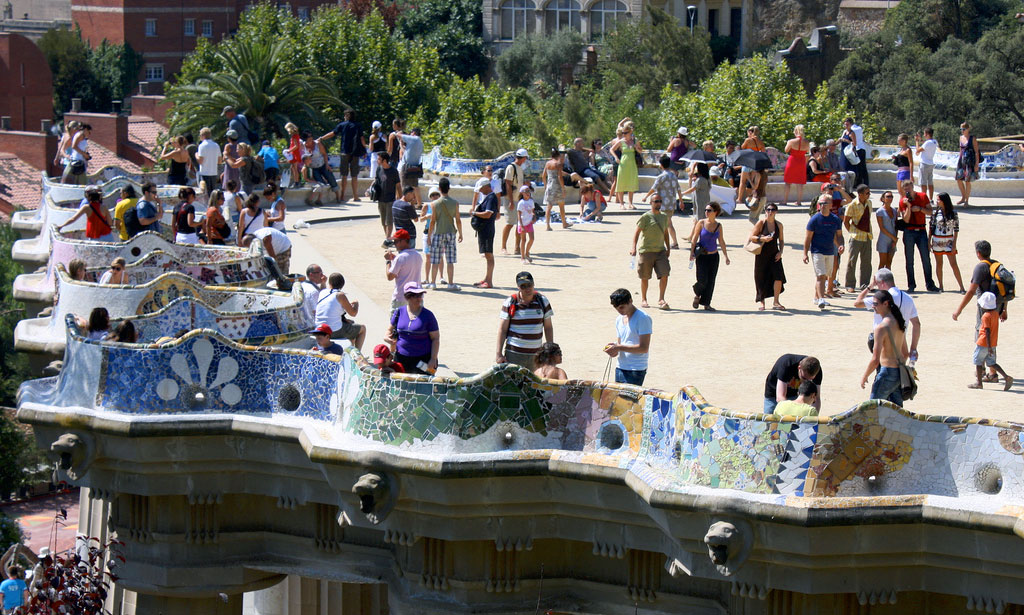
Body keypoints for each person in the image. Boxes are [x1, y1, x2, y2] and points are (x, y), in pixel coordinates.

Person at [854, 268, 922, 364]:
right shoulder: (908, 298)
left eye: (877, 284)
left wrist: (870, 286)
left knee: (882, 372)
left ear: (882, 282)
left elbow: (857, 303)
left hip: (882, 341)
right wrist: (913, 348)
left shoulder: (880, 298)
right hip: (900, 341)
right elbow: (917, 324)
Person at [496, 271, 553, 368]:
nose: (527, 289)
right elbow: (502, 330)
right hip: (514, 354)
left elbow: (548, 328)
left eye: (529, 285)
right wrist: (498, 354)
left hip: (536, 355)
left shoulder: (543, 301)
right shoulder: (510, 302)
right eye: (523, 286)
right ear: (518, 287)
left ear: (533, 284)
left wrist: (550, 351)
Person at [860, 290, 908, 406]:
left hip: (887, 372)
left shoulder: (881, 328)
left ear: (886, 304)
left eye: (875, 304)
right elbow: (905, 353)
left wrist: (865, 376)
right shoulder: (899, 322)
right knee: (897, 413)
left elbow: (875, 360)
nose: (873, 306)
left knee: (872, 408)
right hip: (899, 373)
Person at [385, 281, 439, 374]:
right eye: (415, 296)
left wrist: (433, 359)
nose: (419, 299)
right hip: (401, 359)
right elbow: (389, 330)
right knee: (402, 386)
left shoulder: (428, 315)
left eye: (420, 295)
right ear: (407, 297)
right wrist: (386, 337)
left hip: (422, 360)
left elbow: (435, 338)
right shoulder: (398, 312)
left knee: (425, 381)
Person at [631, 193, 672, 310]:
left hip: (660, 251)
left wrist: (668, 247)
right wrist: (633, 247)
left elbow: (665, 233)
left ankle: (661, 298)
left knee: (664, 274)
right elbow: (637, 233)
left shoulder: (664, 217)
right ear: (651, 203)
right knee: (645, 276)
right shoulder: (645, 217)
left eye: (660, 201)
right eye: (656, 201)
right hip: (647, 251)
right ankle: (644, 299)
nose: (658, 203)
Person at [802, 195, 844, 309]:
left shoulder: (835, 219)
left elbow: (839, 235)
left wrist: (841, 245)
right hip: (817, 251)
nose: (822, 206)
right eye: (820, 203)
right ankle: (821, 299)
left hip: (830, 251)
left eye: (824, 203)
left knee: (825, 276)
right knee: (820, 276)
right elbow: (808, 238)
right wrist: (805, 253)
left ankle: (816, 297)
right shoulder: (814, 219)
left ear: (831, 205)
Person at [604, 288, 652, 386]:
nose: (620, 311)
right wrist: (614, 349)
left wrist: (618, 347)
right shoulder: (619, 320)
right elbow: (621, 344)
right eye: (616, 308)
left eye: (622, 307)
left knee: (628, 401)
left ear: (630, 301)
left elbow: (643, 348)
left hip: (636, 369)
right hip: (620, 366)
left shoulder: (643, 318)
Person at [898, 179, 938, 292]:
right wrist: (909, 207)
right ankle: (911, 285)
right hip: (909, 231)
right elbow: (905, 219)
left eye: (908, 189)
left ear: (912, 187)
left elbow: (930, 212)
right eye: (905, 190)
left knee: (926, 258)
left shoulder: (922, 196)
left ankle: (929, 284)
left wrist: (920, 209)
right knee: (909, 260)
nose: (907, 191)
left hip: (921, 230)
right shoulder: (902, 202)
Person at [319, 109, 367, 202]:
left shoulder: (342, 125)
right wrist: (364, 150)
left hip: (345, 152)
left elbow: (333, 133)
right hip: (355, 152)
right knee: (354, 175)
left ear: (347, 116)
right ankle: (355, 196)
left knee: (344, 175)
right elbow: (362, 139)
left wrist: (321, 138)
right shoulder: (358, 126)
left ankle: (342, 196)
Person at [968, 292, 1013, 390]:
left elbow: (987, 331)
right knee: (991, 363)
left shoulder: (985, 316)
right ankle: (1006, 377)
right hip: (992, 343)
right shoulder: (995, 314)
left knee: (978, 362)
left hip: (983, 343)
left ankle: (979, 383)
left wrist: (988, 347)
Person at [689, 201, 730, 311]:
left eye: (709, 210)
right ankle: (697, 295)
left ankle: (706, 303)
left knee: (711, 281)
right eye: (706, 210)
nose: (706, 212)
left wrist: (726, 256)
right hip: (702, 256)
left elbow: (721, 241)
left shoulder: (718, 226)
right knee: (702, 280)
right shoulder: (701, 223)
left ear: (715, 212)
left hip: (714, 256)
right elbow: (694, 239)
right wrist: (691, 253)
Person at [425, 178, 462, 291]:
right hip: (450, 232)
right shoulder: (455, 203)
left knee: (435, 259)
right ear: (449, 188)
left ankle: (433, 283)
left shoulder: (434, 204)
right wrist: (460, 233)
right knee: (450, 260)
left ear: (439, 189)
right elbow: (458, 220)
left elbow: (432, 221)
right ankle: (451, 283)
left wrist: (429, 235)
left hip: (438, 232)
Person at [749, 203, 786, 310]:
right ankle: (762, 302)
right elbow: (752, 237)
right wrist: (762, 239)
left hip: (774, 254)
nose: (770, 212)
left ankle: (776, 301)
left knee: (778, 277)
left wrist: (781, 252)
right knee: (761, 278)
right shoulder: (761, 223)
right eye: (768, 210)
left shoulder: (779, 225)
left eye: (773, 210)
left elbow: (782, 240)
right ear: (765, 211)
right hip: (761, 254)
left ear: (776, 212)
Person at [314, 273, 366, 350]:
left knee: (350, 325)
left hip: (318, 328)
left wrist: (323, 283)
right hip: (333, 331)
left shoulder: (322, 292)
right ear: (342, 285)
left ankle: (350, 350)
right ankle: (357, 356)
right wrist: (356, 304)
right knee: (362, 329)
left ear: (330, 283)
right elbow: (353, 313)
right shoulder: (340, 295)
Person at [930, 192, 966, 293]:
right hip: (937, 240)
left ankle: (961, 287)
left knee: (954, 264)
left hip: (949, 241)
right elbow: (931, 228)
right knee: (939, 264)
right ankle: (941, 286)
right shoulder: (936, 213)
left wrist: (954, 244)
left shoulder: (953, 213)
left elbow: (956, 229)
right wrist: (929, 241)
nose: (937, 202)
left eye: (938, 200)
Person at [644, 155, 682, 247]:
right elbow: (678, 189)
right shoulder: (673, 175)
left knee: (665, 224)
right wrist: (681, 200)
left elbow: (654, 188)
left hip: (662, 204)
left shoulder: (661, 176)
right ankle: (673, 242)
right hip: (672, 203)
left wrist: (646, 196)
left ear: (661, 165)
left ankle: (669, 242)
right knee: (668, 223)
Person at [842, 184, 874, 291]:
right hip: (856, 237)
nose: (869, 195)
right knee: (852, 261)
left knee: (866, 262)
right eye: (867, 193)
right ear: (860, 195)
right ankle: (850, 284)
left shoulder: (869, 203)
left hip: (867, 236)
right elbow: (846, 221)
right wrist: (852, 232)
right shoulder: (852, 205)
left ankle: (865, 284)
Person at [471, 177, 500, 288]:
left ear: (487, 187)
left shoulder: (491, 198)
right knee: (487, 255)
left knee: (489, 255)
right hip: (485, 230)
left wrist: (475, 213)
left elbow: (488, 214)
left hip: (487, 230)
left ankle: (489, 281)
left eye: (482, 188)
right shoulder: (489, 197)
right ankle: (487, 279)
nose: (480, 190)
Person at [385, 229, 423, 310]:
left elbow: (390, 276)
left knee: (396, 322)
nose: (394, 244)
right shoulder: (418, 255)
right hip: (417, 297)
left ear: (404, 241)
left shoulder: (400, 257)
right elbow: (407, 266)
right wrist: (394, 259)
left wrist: (388, 262)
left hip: (401, 297)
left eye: (396, 241)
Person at [502, 148, 529, 254]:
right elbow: (508, 183)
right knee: (509, 223)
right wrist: (511, 201)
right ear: (524, 158)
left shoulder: (519, 168)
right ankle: (503, 247)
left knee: (519, 225)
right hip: (511, 199)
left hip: (519, 199)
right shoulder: (511, 167)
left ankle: (517, 248)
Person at [302, 132, 339, 203]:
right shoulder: (303, 146)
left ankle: (338, 196)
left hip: (322, 164)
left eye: (311, 138)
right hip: (313, 168)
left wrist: (327, 165)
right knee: (320, 182)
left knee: (330, 177)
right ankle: (319, 200)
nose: (311, 140)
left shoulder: (317, 144)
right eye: (309, 139)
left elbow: (324, 154)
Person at [612, 121, 641, 209]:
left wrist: (637, 147)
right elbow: (611, 149)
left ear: (630, 132)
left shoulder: (634, 141)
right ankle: (621, 203)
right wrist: (616, 158)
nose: (624, 134)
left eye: (625, 133)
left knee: (631, 183)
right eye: (623, 133)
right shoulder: (621, 141)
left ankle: (630, 203)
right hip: (623, 163)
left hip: (632, 163)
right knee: (621, 182)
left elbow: (640, 151)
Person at [542, 148, 571, 231]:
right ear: (558, 155)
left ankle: (547, 225)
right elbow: (559, 176)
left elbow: (543, 175)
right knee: (561, 205)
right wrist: (563, 188)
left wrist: (545, 186)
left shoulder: (547, 163)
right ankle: (564, 223)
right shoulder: (558, 164)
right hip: (557, 185)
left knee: (549, 206)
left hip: (549, 184)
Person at [374, 151, 401, 238]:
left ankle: (387, 238)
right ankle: (388, 237)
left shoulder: (393, 171)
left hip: (390, 199)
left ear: (384, 160)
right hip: (380, 198)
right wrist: (370, 190)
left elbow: (398, 185)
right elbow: (376, 180)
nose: (377, 160)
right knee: (383, 221)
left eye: (379, 159)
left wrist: (400, 198)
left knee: (389, 221)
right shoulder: (379, 169)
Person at [737, 126, 766, 206]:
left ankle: (739, 199)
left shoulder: (748, 140)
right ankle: (752, 198)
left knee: (742, 182)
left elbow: (742, 147)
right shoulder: (760, 141)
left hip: (747, 161)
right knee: (753, 182)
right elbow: (763, 152)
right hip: (755, 163)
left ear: (751, 132)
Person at [783, 125, 809, 208]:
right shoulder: (807, 142)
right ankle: (799, 201)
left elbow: (786, 150)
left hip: (792, 160)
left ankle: (785, 201)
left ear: (796, 131)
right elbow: (807, 151)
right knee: (800, 183)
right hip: (801, 161)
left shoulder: (791, 141)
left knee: (788, 182)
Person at [956, 122, 981, 206]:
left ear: (968, 129)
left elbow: (976, 152)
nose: (962, 131)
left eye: (963, 129)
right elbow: (960, 150)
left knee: (967, 181)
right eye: (961, 129)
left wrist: (976, 164)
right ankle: (963, 197)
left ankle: (967, 200)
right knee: (958, 179)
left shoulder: (972, 138)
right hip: (962, 161)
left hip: (969, 161)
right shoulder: (961, 138)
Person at [398, 127, 424, 207]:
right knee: (415, 186)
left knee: (404, 187)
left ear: (413, 133)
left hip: (407, 167)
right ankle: (418, 204)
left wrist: (395, 133)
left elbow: (399, 135)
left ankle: (404, 204)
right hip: (415, 167)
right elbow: (406, 152)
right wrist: (401, 144)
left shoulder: (413, 139)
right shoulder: (420, 142)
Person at [875, 191, 899, 270]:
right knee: (882, 263)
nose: (890, 198)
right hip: (884, 240)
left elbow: (896, 226)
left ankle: (887, 281)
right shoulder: (880, 211)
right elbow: (882, 228)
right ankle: (879, 281)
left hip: (892, 240)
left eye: (891, 196)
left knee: (889, 263)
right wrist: (893, 237)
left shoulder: (894, 211)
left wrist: (895, 238)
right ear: (883, 199)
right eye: (888, 196)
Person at [914, 128, 938, 202]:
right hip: (930, 164)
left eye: (924, 134)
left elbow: (918, 150)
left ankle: (924, 199)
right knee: (930, 182)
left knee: (923, 183)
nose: (924, 135)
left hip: (924, 164)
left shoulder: (927, 143)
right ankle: (930, 199)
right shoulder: (934, 141)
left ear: (927, 134)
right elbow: (926, 143)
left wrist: (917, 141)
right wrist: (920, 139)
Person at [516, 184, 536, 266]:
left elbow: (532, 211)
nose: (528, 193)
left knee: (531, 239)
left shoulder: (531, 201)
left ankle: (527, 252)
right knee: (523, 240)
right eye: (526, 191)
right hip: (523, 224)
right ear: (522, 193)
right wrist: (521, 225)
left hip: (529, 223)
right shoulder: (521, 203)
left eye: (529, 191)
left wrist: (534, 217)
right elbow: (519, 215)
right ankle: (522, 257)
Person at [196, 127, 222, 191]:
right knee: (213, 193)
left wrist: (196, 155)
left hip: (204, 173)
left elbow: (200, 161)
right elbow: (219, 161)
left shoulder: (202, 146)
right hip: (213, 173)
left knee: (205, 193)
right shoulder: (216, 145)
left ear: (203, 135)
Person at [284, 122, 303, 186]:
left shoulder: (294, 136)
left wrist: (289, 151)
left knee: (295, 169)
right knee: (293, 168)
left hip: (294, 154)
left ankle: (296, 182)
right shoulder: (295, 136)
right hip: (294, 153)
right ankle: (296, 181)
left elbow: (296, 146)